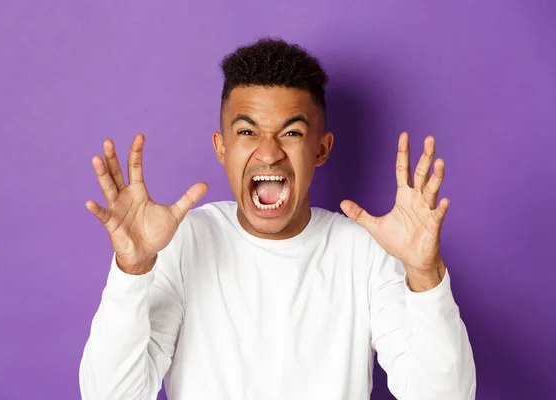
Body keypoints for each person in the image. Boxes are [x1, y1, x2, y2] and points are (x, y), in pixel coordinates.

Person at [79, 38, 476, 400]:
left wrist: (425, 276)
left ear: (321, 149)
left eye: (291, 134)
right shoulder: (185, 242)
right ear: (222, 147)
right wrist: (132, 271)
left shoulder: (365, 252)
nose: (269, 154)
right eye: (248, 132)